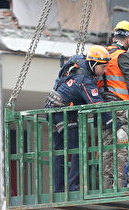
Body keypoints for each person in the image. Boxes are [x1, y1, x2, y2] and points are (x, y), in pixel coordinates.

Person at [45, 45, 111, 193]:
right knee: (77, 148)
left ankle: (59, 189)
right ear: (93, 64)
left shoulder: (77, 61)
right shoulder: (85, 81)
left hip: (52, 107)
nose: (105, 71)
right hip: (64, 110)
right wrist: (114, 124)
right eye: (103, 67)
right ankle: (74, 187)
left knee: (60, 150)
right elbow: (98, 105)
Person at [102, 21, 129, 190]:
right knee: (122, 147)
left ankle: (107, 187)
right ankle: (121, 185)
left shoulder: (103, 54)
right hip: (121, 109)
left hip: (105, 110)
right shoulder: (122, 56)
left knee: (108, 148)